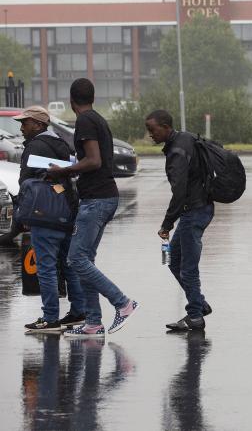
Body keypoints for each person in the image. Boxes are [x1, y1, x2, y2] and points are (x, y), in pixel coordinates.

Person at [50, 78, 139, 338]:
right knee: (84, 260)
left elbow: (94, 160)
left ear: (71, 100)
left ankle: (122, 303)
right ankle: (93, 322)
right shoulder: (97, 119)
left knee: (76, 259)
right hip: (102, 197)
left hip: (96, 200)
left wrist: (64, 171)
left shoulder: (85, 121)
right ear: (93, 97)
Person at [145, 109, 214, 332]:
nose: (150, 135)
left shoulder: (176, 151)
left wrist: (166, 224)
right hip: (201, 207)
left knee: (187, 268)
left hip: (193, 211)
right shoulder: (186, 137)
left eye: (153, 130)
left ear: (166, 127)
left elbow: (179, 192)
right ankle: (199, 304)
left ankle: (195, 316)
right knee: (174, 260)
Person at [18, 106, 84, 333]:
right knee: (69, 264)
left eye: (25, 123)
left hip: (44, 214)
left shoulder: (34, 146)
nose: (22, 127)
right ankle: (78, 311)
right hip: (66, 210)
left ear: (38, 125)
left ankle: (50, 318)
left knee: (46, 267)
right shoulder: (61, 143)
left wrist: (24, 214)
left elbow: (25, 182)